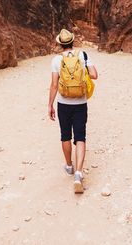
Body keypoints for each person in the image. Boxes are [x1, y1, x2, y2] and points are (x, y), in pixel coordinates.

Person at [48, 28, 98, 193]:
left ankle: (69, 166)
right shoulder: (83, 56)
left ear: (60, 44)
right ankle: (78, 173)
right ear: (73, 41)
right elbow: (95, 75)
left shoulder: (56, 60)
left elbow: (54, 85)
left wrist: (50, 105)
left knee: (65, 135)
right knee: (80, 136)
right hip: (80, 103)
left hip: (63, 103)